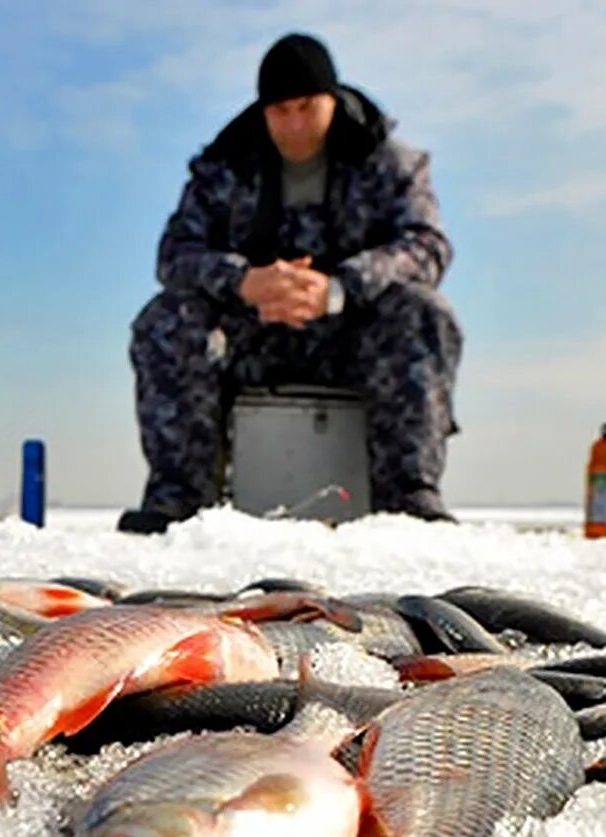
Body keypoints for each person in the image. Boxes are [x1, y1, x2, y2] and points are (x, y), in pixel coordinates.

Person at [118, 32, 462, 534]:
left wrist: (338, 288)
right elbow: (174, 255)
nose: (296, 124)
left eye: (307, 107)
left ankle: (409, 498)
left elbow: (427, 245)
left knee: (423, 311)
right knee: (166, 318)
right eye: (281, 111)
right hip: (251, 338)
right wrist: (244, 281)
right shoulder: (224, 166)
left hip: (357, 339)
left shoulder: (390, 163)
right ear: (263, 111)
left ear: (333, 99)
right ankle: (180, 502)